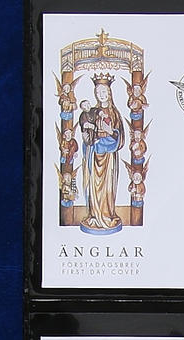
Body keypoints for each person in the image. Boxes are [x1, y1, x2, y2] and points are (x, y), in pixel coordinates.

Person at [77, 75, 126, 232]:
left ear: (109, 93)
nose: (101, 95)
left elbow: (121, 137)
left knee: (107, 186)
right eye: (98, 92)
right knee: (94, 184)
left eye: (104, 92)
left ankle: (107, 215)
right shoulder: (92, 112)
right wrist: (88, 136)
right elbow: (86, 131)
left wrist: (110, 131)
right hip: (94, 152)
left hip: (109, 155)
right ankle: (94, 214)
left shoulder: (114, 113)